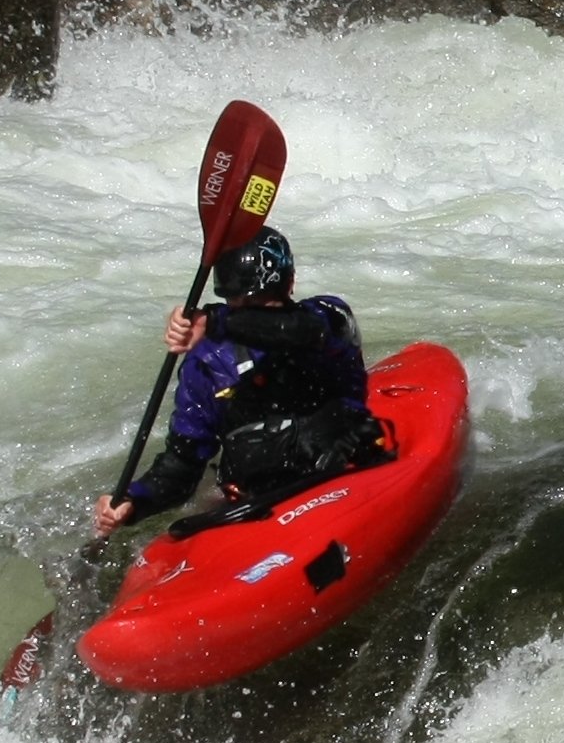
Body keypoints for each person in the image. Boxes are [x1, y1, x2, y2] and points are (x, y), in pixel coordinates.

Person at [88, 228, 381, 537]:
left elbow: (300, 331)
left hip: (344, 473)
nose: (256, 311)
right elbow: (182, 466)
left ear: (291, 284)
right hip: (258, 504)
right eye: (245, 301)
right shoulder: (208, 362)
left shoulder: (327, 319)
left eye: (266, 301)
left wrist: (215, 322)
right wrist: (134, 502)